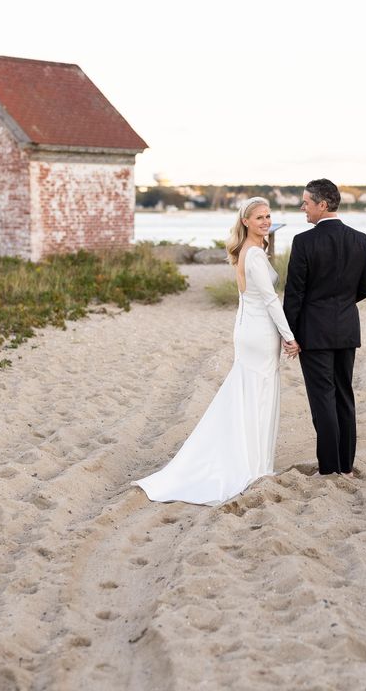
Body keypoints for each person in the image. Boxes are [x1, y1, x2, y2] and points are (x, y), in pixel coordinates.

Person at [133, 198, 300, 505]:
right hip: (260, 333)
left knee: (249, 395)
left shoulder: (247, 252)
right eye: (259, 217)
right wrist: (290, 337)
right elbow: (270, 300)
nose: (265, 221)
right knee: (257, 397)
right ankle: (253, 467)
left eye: (268, 216)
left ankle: (256, 462)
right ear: (246, 222)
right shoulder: (253, 256)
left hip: (249, 329)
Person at [283, 178, 366, 476]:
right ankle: (345, 464)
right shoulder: (360, 239)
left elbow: (294, 294)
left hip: (314, 333)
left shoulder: (304, 241)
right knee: (344, 396)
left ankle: (330, 467)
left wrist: (290, 333)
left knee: (323, 399)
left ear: (322, 204)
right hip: (347, 329)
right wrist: (344, 303)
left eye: (306, 202)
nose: (302, 207)